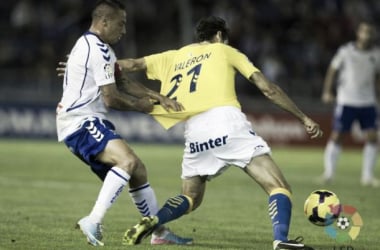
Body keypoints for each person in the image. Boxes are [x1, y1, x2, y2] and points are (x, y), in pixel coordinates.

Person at [117, 16, 323, 250]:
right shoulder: (225, 51)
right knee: (278, 186)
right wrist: (303, 117)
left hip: (194, 131)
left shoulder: (173, 56)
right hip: (226, 122)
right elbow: (268, 89)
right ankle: (281, 241)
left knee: (191, 198)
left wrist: (91, 63)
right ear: (218, 36)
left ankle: (155, 220)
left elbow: (130, 64)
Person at [56, 0, 192, 246]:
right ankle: (93, 220)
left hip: (91, 121)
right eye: (121, 23)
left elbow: (124, 83)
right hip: (80, 121)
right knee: (127, 161)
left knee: (137, 170)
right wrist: (139, 107)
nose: (125, 30)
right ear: (104, 22)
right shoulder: (95, 49)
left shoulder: (101, 48)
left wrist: (158, 97)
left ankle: (159, 232)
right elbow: (111, 97)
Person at [321, 21, 380, 187]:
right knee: (338, 135)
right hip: (347, 100)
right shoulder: (346, 51)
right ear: (358, 33)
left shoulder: (376, 54)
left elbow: (377, 78)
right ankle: (329, 173)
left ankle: (367, 176)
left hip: (368, 101)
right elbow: (332, 70)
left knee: (372, 137)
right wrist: (327, 91)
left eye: (370, 32)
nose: (367, 35)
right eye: (365, 31)